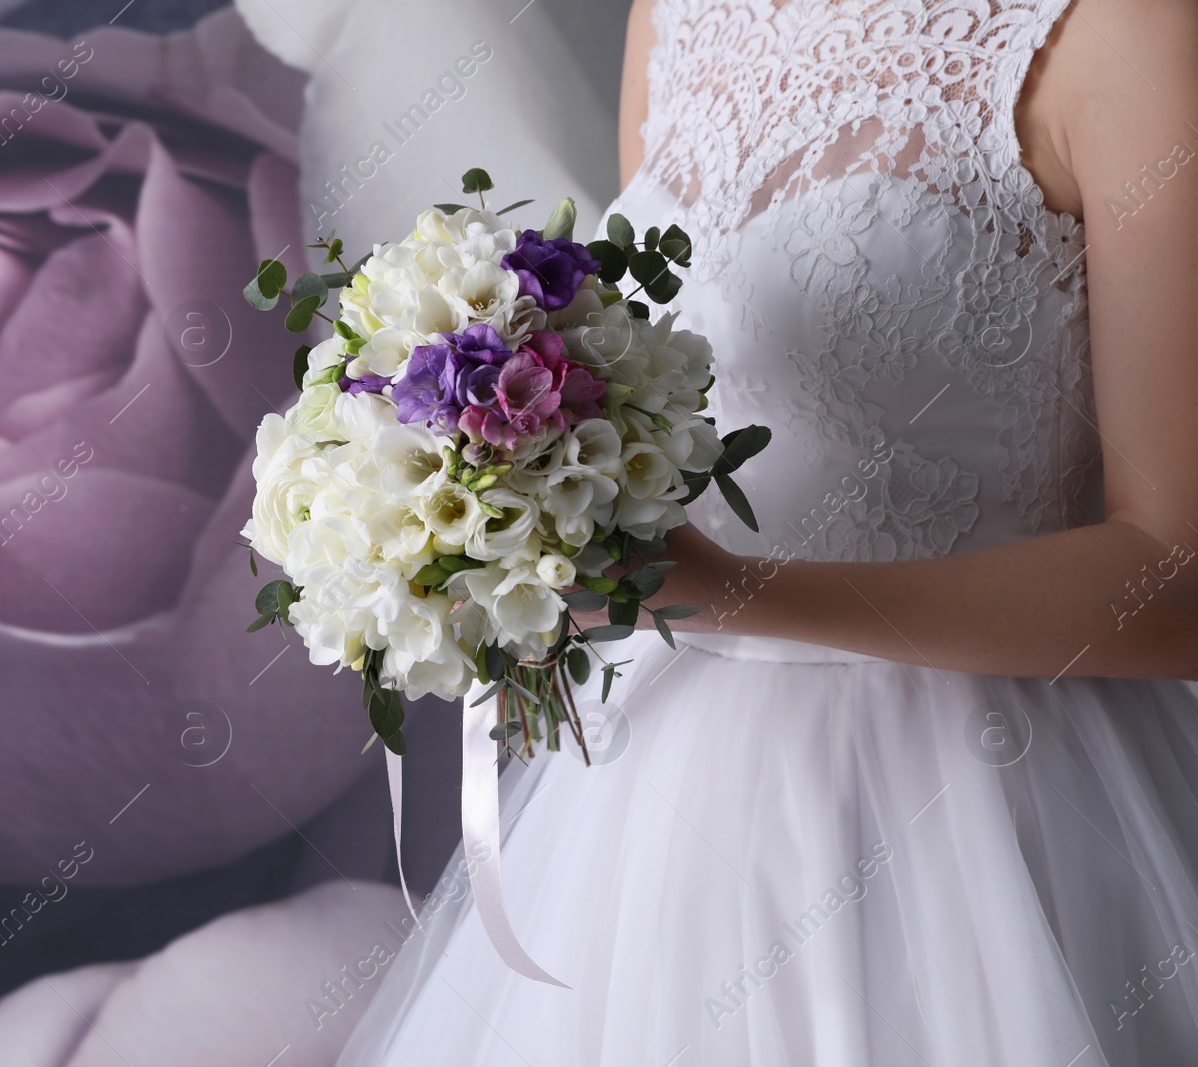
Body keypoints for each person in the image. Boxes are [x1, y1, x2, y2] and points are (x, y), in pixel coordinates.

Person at [336, 0, 1198, 1063]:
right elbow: (662, 389)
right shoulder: (681, 12)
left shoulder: (1128, 28)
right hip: (660, 809)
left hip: (993, 805)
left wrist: (731, 590)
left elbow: (1174, 576)